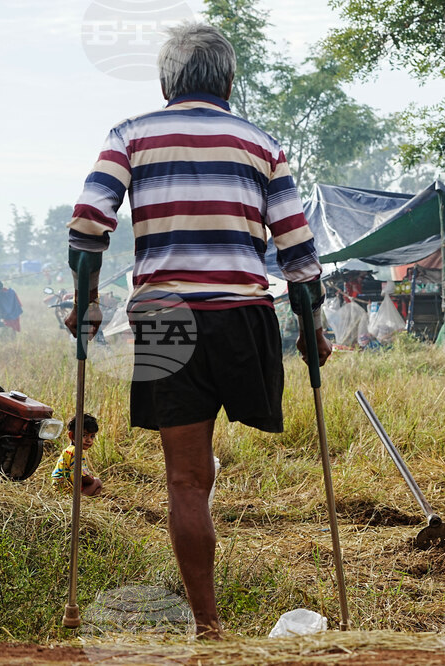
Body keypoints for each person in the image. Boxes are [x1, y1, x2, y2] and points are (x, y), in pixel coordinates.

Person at [65, 23, 331, 640]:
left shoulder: (129, 135)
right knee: (204, 473)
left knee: (184, 479)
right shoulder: (261, 144)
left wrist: (87, 304)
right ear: (228, 81)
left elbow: (88, 224)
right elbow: (297, 248)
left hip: (165, 319)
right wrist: (311, 326)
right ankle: (213, 622)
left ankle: (209, 627)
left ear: (167, 82)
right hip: (243, 318)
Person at [51, 413, 102, 497]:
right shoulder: (76, 452)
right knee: (97, 483)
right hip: (67, 492)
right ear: (71, 435)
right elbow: (83, 477)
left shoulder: (68, 450)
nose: (89, 440)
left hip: (59, 490)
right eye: (84, 435)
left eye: (92, 436)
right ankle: (84, 502)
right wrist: (91, 479)